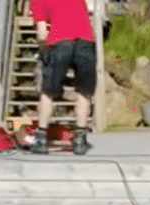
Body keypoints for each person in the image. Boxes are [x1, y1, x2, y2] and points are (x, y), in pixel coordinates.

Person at [29, 0, 96, 155]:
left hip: (60, 41)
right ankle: (80, 139)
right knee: (84, 91)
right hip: (85, 40)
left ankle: (41, 138)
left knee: (48, 92)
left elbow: (42, 33)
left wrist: (43, 53)